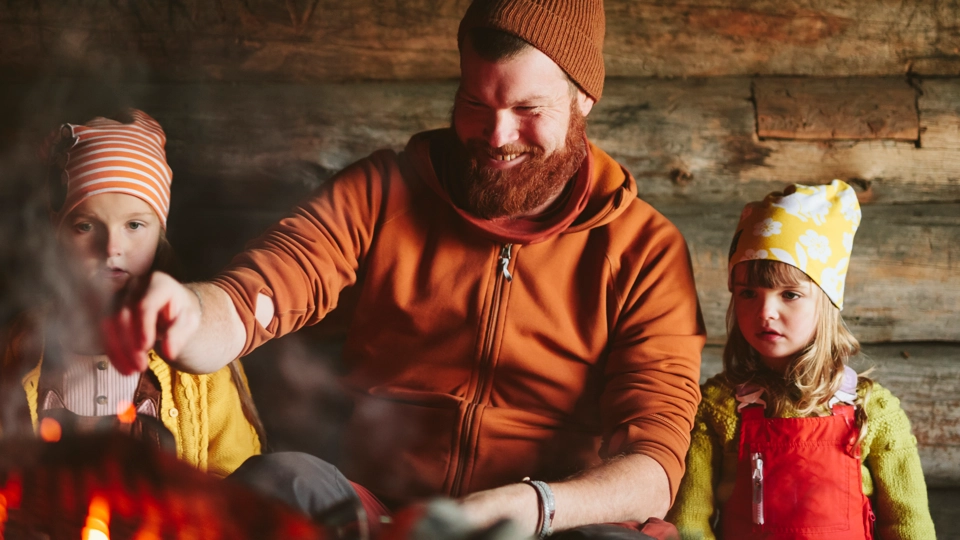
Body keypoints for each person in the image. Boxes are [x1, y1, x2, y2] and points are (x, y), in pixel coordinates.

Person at [104, 1, 706, 538]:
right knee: (280, 482)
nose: (497, 135)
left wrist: (528, 508)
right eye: (476, 102)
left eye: (528, 109)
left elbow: (653, 469)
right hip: (379, 515)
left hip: (550, 520)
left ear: (583, 100)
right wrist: (186, 314)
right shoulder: (382, 191)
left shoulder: (646, 250)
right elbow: (258, 292)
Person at [0, 109, 264, 478]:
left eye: (134, 225)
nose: (111, 248)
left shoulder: (199, 349)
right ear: (57, 235)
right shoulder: (21, 343)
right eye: (85, 225)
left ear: (159, 233)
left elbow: (237, 480)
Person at [666, 180, 936, 539]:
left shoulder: (873, 411)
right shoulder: (718, 407)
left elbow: (909, 525)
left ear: (826, 303)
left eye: (790, 294)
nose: (766, 312)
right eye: (748, 293)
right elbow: (689, 521)